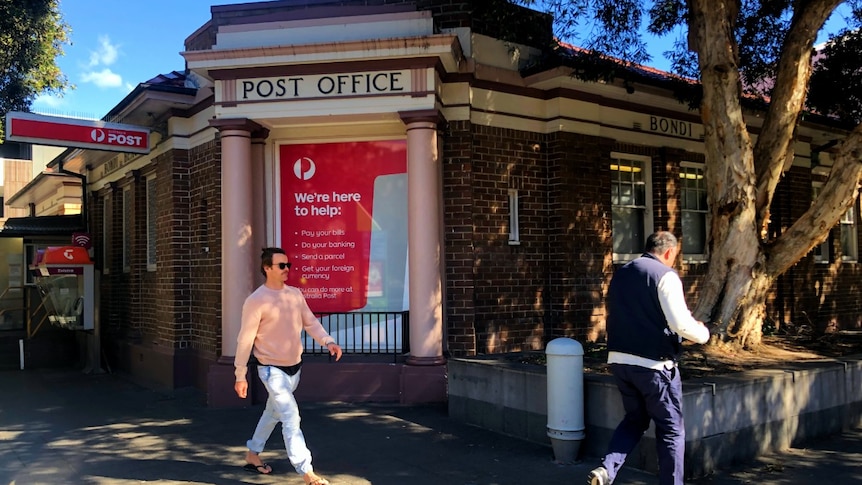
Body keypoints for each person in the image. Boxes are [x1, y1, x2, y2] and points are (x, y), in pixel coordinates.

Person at [588, 231, 710, 485]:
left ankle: (606, 469)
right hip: (655, 366)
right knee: (671, 431)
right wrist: (703, 334)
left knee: (635, 419)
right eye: (674, 257)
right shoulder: (664, 275)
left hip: (620, 361)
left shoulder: (622, 273)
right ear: (669, 252)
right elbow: (680, 323)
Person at [234, 247, 343, 485]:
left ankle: (253, 453)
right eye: (282, 265)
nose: (287, 270)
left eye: (288, 265)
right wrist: (240, 374)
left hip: (295, 368)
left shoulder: (294, 295)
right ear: (267, 268)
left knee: (272, 413)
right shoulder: (256, 301)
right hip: (271, 370)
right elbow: (245, 340)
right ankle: (307, 472)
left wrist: (328, 341)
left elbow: (311, 323)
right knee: (291, 417)